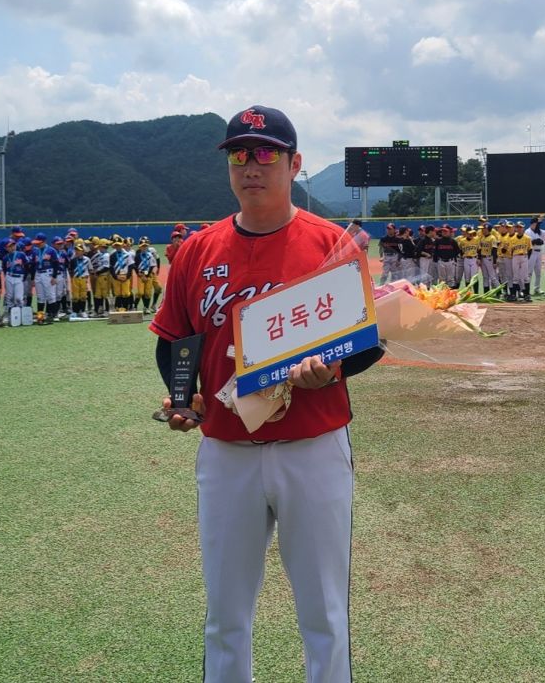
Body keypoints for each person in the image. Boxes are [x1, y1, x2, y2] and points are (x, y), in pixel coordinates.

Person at [150, 105, 382, 683]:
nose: (249, 166)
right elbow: (176, 339)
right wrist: (182, 400)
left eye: (264, 153)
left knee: (324, 612)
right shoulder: (198, 250)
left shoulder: (331, 243)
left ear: (294, 163)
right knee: (226, 614)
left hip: (313, 446)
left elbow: (366, 345)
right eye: (238, 154)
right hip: (227, 450)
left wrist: (329, 371)